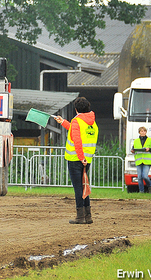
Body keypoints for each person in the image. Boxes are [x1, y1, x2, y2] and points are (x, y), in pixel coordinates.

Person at [54, 96, 98, 225]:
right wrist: (63, 122)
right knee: (84, 186)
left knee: (78, 188)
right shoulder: (91, 121)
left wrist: (80, 157)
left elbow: (77, 141)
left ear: (76, 109)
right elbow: (76, 132)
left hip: (75, 159)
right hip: (87, 159)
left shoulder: (77, 121)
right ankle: (88, 216)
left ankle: (80, 217)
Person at [131, 126, 151, 193]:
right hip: (139, 161)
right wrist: (132, 151)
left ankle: (150, 187)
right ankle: (141, 191)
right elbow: (133, 148)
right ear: (139, 132)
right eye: (142, 131)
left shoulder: (150, 140)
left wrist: (149, 149)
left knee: (145, 176)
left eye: (144, 131)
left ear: (146, 132)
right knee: (139, 177)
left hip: (147, 161)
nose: (143, 132)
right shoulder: (136, 141)